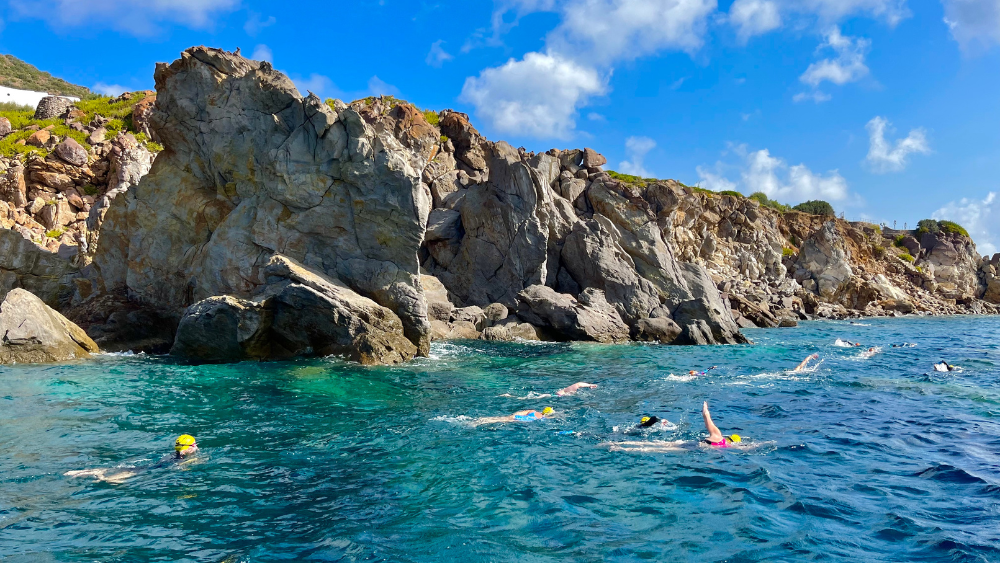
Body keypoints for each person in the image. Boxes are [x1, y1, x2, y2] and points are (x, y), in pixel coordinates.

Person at [65, 434, 199, 484]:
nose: (196, 446)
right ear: (187, 448)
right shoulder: (180, 460)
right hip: (147, 469)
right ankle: (101, 477)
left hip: (147, 465)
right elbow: (181, 468)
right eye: (194, 445)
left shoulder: (172, 455)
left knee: (120, 468)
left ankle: (84, 471)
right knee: (115, 479)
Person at [471, 407, 554, 426]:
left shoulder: (533, 411)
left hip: (517, 416)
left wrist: (513, 415)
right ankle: (476, 424)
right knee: (499, 421)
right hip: (521, 420)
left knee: (500, 418)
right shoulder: (543, 417)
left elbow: (520, 413)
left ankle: (480, 419)